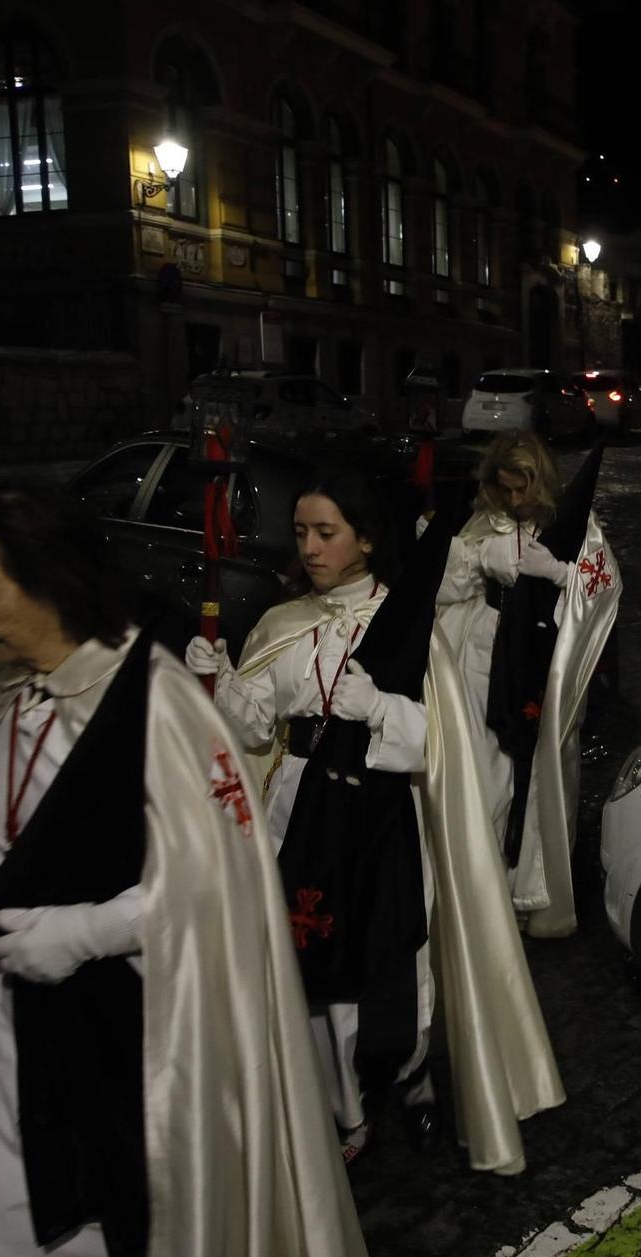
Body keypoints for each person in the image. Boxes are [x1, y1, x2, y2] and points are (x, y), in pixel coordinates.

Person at [0, 487, 366, 1257]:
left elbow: (218, 889)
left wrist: (79, 932)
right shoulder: (8, 689)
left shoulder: (155, 705)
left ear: (47, 576)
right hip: (25, 1069)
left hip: (143, 1059)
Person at [186, 471, 434, 1164]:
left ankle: (408, 1075)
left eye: (327, 532)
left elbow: (447, 739)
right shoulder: (284, 619)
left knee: (380, 956)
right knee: (303, 954)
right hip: (295, 808)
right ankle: (339, 1108)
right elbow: (259, 728)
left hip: (380, 813)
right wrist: (223, 682)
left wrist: (381, 709)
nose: (312, 547)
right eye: (301, 532)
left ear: (367, 536)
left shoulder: (406, 619)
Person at [435, 432, 619, 938]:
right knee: (485, 771)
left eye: (523, 491)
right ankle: (482, 889)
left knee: (536, 779)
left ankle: (527, 893)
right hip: (482, 660)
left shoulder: (577, 526)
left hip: (541, 666)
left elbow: (603, 590)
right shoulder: (482, 525)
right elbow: (442, 584)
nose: (515, 502)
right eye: (505, 490)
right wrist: (477, 561)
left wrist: (560, 574)